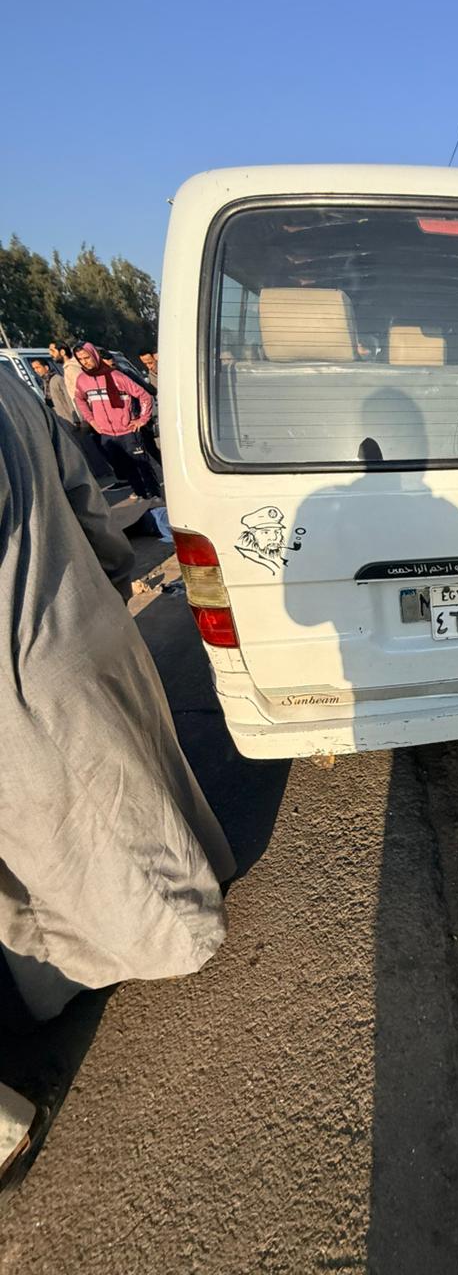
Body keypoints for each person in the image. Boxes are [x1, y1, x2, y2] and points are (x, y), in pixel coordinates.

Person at [0, 373, 234, 1021]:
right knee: (136, 777)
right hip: (83, 615)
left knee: (76, 830)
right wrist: (109, 578)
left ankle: (169, 940)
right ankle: (197, 879)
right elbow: (86, 498)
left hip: (21, 664)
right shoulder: (11, 388)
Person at [73, 342, 162, 499]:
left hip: (128, 431)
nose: (84, 362)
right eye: (80, 359)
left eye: (87, 357)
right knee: (126, 469)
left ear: (94, 355)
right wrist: (92, 421)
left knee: (142, 465)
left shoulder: (116, 376)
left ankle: (155, 495)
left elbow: (145, 396)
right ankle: (140, 494)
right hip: (107, 434)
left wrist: (142, 420)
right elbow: (79, 400)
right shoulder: (82, 380)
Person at [30, 358, 76, 427]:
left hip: (69, 419)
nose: (36, 371)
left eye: (38, 367)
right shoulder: (45, 383)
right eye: (34, 369)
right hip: (59, 420)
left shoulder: (57, 379)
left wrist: (76, 418)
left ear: (46, 367)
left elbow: (69, 399)